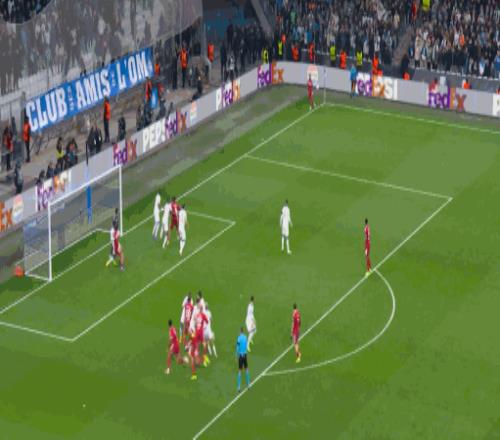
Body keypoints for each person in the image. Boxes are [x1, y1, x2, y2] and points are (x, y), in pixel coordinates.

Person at [236, 327, 250, 392]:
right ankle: (248, 384)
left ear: (240, 331)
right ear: (243, 331)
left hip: (241, 356)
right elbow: (246, 345)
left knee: (239, 371)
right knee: (246, 369)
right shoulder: (245, 337)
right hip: (245, 355)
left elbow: (237, 347)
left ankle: (239, 387)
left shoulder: (239, 338)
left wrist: (236, 356)